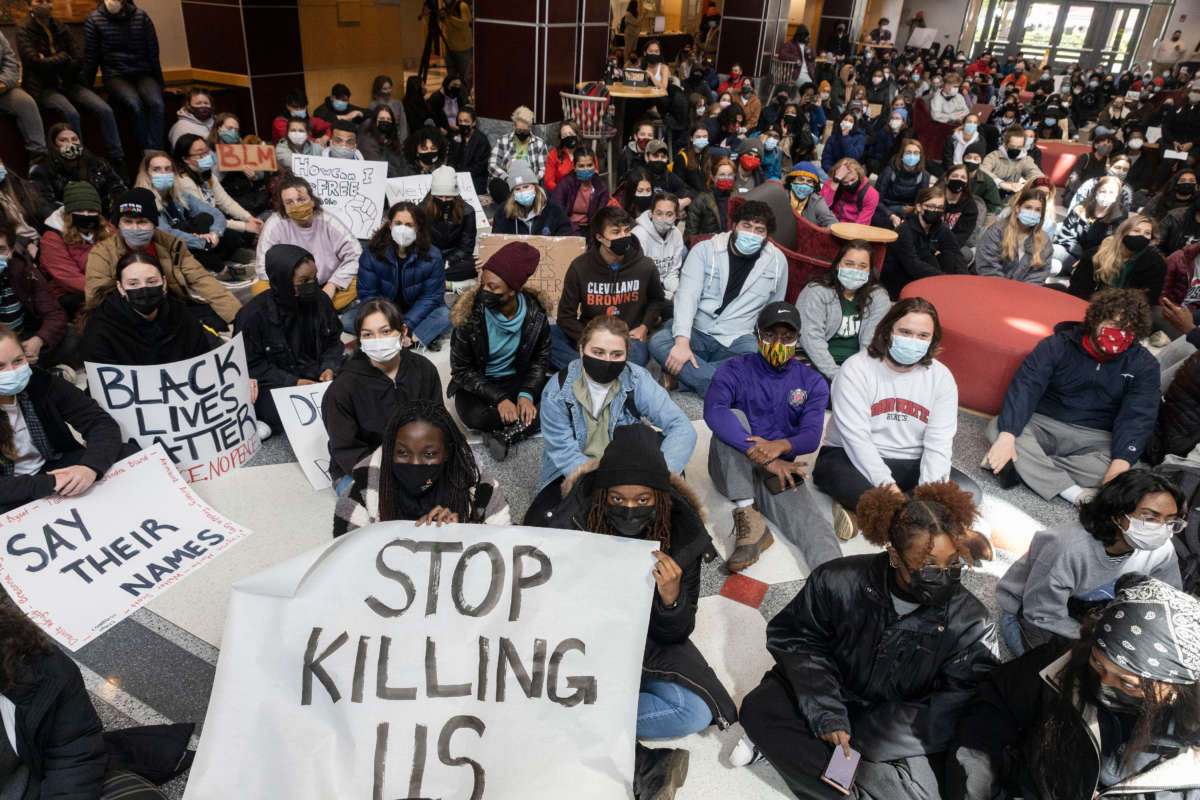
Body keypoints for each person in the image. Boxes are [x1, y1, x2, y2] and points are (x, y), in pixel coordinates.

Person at [739, 481, 1000, 799]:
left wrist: (865, 735)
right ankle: (833, 777)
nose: (945, 578)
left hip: (897, 724)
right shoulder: (837, 579)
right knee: (757, 709)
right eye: (929, 568)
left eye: (954, 565)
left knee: (912, 790)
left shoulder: (972, 623)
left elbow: (955, 704)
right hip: (833, 690)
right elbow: (797, 639)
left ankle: (813, 769)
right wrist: (827, 711)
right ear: (893, 556)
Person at [544, 424, 736, 800]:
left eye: (642, 500)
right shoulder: (568, 522)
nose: (630, 509)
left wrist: (671, 598)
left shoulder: (683, 536)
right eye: (617, 499)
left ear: (660, 499)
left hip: (645, 643)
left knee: (693, 711)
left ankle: (578, 723)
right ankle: (637, 759)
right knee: (536, 695)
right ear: (601, 496)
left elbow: (677, 633)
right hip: (579, 645)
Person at [950, 574, 1200, 800]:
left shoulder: (1189, 762)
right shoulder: (1063, 663)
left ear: (1176, 688)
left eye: (1127, 682)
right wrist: (980, 787)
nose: (1104, 682)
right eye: (1098, 664)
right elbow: (993, 707)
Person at [812, 296, 983, 542]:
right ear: (888, 331)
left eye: (923, 335)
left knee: (970, 492)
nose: (913, 340)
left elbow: (939, 443)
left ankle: (872, 515)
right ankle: (920, 523)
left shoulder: (941, 377)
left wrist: (929, 495)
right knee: (838, 478)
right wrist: (889, 490)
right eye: (905, 331)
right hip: (849, 457)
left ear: (932, 340)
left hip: (910, 460)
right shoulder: (856, 369)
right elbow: (857, 439)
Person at [984, 289, 1160, 504]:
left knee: (1127, 466)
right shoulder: (1057, 345)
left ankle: (1024, 465)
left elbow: (1138, 416)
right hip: (1044, 423)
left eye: (1128, 330)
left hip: (1096, 435)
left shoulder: (1144, 364)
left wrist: (1120, 466)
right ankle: (1073, 493)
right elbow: (1026, 387)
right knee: (999, 429)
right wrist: (1008, 436)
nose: (1119, 334)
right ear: (1096, 319)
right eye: (1113, 325)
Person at [705, 301, 838, 572]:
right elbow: (714, 413)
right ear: (756, 335)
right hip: (730, 465)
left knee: (815, 528)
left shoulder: (812, 382)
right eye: (770, 335)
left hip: (780, 470)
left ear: (798, 339)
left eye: (787, 337)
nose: (778, 343)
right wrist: (766, 458)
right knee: (732, 419)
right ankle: (748, 518)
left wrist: (782, 445)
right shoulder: (733, 370)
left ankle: (834, 586)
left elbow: (812, 436)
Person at [996, 469, 1183, 658]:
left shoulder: (1161, 549)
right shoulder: (1067, 548)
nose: (1161, 528)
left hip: (1095, 618)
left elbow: (1167, 601)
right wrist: (1104, 642)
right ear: (1118, 515)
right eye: (1150, 517)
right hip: (1034, 618)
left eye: (1170, 520)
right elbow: (1041, 613)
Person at [530, 315, 696, 524]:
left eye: (616, 354)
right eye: (598, 352)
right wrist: (604, 486)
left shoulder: (637, 378)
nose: (606, 360)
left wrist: (656, 476)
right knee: (542, 524)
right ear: (582, 351)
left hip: (629, 463)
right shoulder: (557, 390)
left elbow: (682, 428)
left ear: (627, 355)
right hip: (576, 468)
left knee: (674, 522)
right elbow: (562, 450)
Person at [651, 201, 788, 396]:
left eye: (759, 230)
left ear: (767, 236)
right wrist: (682, 343)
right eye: (746, 226)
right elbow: (686, 297)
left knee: (757, 361)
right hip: (697, 331)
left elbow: (774, 309)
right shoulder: (705, 250)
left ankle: (682, 379)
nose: (751, 233)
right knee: (659, 341)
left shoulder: (777, 262)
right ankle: (732, 388)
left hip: (738, 337)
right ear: (734, 226)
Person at [332, 399, 509, 537]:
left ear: (447, 452)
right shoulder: (359, 495)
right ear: (389, 451)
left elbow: (505, 553)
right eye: (403, 452)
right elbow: (346, 564)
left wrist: (463, 534)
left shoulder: (483, 491)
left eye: (430, 454)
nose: (415, 463)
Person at [0, 320, 123, 513]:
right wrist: (49, 483)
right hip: (13, 488)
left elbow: (99, 423)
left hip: (54, 465)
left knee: (126, 453)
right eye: (0, 367)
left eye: (18, 361)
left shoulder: (42, 382)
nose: (12, 372)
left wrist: (89, 468)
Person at [322, 298, 441, 496]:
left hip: (413, 460)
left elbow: (437, 423)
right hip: (362, 467)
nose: (377, 340)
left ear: (402, 332)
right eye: (368, 335)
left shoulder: (423, 369)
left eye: (385, 332)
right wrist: (389, 477)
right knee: (384, 510)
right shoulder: (343, 388)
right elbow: (346, 449)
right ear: (360, 339)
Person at [85, 187, 240, 330]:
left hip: (169, 305)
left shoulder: (171, 244)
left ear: (153, 223)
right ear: (118, 223)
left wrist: (238, 319)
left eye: (142, 222)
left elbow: (202, 281)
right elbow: (97, 298)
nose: (135, 228)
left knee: (216, 318)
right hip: (126, 314)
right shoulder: (102, 253)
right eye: (128, 222)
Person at [448, 242, 548, 459]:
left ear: (514, 290)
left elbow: (541, 359)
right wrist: (499, 399)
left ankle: (506, 435)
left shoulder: (535, 314)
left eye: (493, 288)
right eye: (483, 284)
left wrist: (527, 394)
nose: (484, 291)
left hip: (517, 380)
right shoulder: (469, 316)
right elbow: (461, 370)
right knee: (474, 415)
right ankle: (520, 424)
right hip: (481, 385)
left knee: (561, 395)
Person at [234, 244, 343, 433]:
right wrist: (293, 382)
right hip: (278, 382)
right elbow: (250, 365)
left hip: (317, 374)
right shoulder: (252, 316)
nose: (313, 285)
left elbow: (333, 341)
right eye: (304, 280)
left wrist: (329, 367)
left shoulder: (321, 301)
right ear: (282, 281)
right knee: (275, 410)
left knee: (358, 384)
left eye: (314, 278)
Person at [553, 206, 665, 369]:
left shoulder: (645, 266)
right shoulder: (579, 267)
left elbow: (657, 300)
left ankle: (585, 369)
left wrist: (644, 326)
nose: (624, 236)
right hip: (589, 334)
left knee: (637, 357)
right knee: (546, 335)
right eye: (615, 232)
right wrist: (588, 338)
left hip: (627, 338)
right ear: (599, 237)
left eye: (626, 231)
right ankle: (599, 370)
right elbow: (565, 316)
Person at [16, 0, 121, 163]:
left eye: (48, 1)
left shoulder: (60, 26)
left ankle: (117, 157)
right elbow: (34, 62)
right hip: (44, 87)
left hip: (70, 82)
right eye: (39, 1)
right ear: (30, 6)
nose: (44, 5)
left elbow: (78, 57)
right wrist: (63, 57)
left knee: (105, 109)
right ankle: (78, 159)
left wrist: (50, 60)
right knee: (71, 113)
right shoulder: (23, 29)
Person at [79, 248, 216, 368]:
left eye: (151, 281)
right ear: (120, 288)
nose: (144, 289)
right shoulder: (100, 329)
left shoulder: (181, 313)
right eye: (133, 284)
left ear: (164, 284)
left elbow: (201, 357)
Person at [253, 174, 359, 312]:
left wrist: (333, 284)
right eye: (289, 202)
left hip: (326, 283)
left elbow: (356, 255)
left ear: (312, 201)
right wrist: (292, 288)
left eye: (301, 199)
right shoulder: (274, 224)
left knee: (360, 280)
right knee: (259, 288)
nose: (297, 206)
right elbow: (262, 266)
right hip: (290, 286)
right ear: (283, 206)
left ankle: (306, 310)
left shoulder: (329, 221)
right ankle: (318, 310)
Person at [356, 201, 448, 349]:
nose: (402, 229)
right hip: (385, 310)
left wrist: (408, 323)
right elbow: (368, 293)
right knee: (348, 320)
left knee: (445, 315)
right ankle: (413, 337)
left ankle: (406, 337)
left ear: (418, 228)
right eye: (398, 223)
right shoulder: (372, 252)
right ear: (390, 225)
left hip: (416, 309)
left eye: (409, 225)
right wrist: (388, 320)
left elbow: (431, 296)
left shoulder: (433, 255)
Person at [798, 239, 891, 382]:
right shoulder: (816, 291)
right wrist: (837, 375)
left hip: (859, 366)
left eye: (862, 266)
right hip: (818, 361)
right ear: (837, 265)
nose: (855, 270)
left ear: (870, 270)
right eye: (849, 264)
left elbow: (872, 341)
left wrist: (858, 374)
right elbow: (811, 338)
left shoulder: (878, 297)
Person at [80, 0, 164, 151]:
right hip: (115, 75)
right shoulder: (94, 19)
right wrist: (87, 87)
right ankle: (146, 151)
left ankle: (156, 149)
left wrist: (160, 84)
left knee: (157, 104)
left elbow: (153, 52)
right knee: (134, 105)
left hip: (142, 72)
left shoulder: (141, 16)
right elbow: (91, 57)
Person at [135, 149, 231, 273]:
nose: (163, 173)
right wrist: (200, 241)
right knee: (185, 227)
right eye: (157, 169)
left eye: (167, 169)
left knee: (211, 222)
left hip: (191, 245)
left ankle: (208, 265)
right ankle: (219, 268)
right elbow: (166, 234)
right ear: (147, 174)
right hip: (164, 249)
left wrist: (214, 235)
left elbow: (216, 214)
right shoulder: (143, 200)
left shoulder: (180, 195)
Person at [0, 221, 70, 369]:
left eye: (1, 249)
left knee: (71, 338)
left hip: (19, 339)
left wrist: (38, 341)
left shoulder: (23, 270)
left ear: (11, 251)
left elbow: (55, 313)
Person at [173, 133, 263, 242]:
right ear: (185, 159)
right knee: (233, 235)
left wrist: (248, 218)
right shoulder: (184, 181)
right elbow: (207, 216)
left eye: (207, 152)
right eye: (200, 154)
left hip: (216, 217)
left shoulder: (206, 174)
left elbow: (225, 201)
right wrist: (244, 226)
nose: (206, 156)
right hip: (201, 226)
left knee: (251, 220)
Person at [39, 182, 109, 316]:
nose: (86, 215)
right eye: (80, 211)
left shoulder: (106, 228)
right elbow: (69, 278)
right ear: (68, 213)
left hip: (105, 287)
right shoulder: (52, 238)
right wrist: (109, 288)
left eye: (91, 211)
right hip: (70, 295)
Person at [880, 186, 965, 298]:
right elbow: (913, 265)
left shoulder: (940, 228)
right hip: (899, 279)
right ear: (919, 207)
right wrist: (945, 279)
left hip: (927, 276)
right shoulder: (904, 230)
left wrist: (964, 281)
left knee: (948, 257)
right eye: (931, 206)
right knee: (928, 258)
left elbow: (956, 253)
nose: (935, 211)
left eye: (940, 208)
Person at [29, 123, 126, 215]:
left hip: (101, 217)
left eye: (74, 139)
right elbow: (44, 204)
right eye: (63, 140)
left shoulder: (96, 163)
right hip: (65, 221)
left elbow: (117, 186)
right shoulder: (42, 169)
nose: (70, 144)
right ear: (54, 145)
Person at [1070, 216, 1167, 306]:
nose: (1142, 236)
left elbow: (1149, 299)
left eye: (1147, 233)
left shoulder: (1155, 263)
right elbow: (1078, 289)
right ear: (1124, 232)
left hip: (1126, 312)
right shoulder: (1096, 254)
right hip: (1089, 304)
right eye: (1136, 231)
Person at [975, 185, 1054, 284]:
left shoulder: (1044, 240)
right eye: (1028, 207)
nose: (1032, 212)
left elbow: (1038, 275)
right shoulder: (996, 231)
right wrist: (1005, 290)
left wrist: (1021, 293)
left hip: (1023, 294)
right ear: (1017, 208)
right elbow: (987, 266)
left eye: (1037, 210)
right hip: (991, 287)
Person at [1054, 175, 1128, 274]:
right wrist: (1080, 256)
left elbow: (1110, 244)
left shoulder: (1120, 214)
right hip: (1074, 253)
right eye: (1103, 191)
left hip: (1097, 257)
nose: (1107, 195)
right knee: (1053, 250)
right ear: (1096, 192)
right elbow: (1066, 235)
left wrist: (1087, 259)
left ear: (1117, 195)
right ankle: (1074, 271)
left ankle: (1075, 271)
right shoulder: (1080, 208)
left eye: (1111, 192)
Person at [423, 166, 476, 286]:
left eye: (448, 197)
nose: (443, 200)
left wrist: (449, 261)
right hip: (430, 257)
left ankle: (432, 280)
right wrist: (434, 259)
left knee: (474, 265)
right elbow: (420, 241)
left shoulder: (467, 212)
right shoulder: (422, 210)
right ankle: (445, 282)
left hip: (453, 259)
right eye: (439, 196)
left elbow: (466, 247)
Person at [490, 160, 571, 236]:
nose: (522, 191)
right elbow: (496, 241)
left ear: (535, 187)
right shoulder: (502, 213)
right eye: (517, 189)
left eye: (526, 187)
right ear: (512, 193)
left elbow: (565, 236)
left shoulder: (553, 210)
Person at [0, 31, 47, 161]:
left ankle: (39, 157)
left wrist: (4, 81)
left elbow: (11, 64)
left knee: (26, 103)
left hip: (3, 88)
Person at [487, 106, 547, 203]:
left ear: (530, 127)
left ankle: (515, 204)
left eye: (525, 131)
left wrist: (529, 180)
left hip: (529, 185)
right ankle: (514, 205)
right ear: (514, 126)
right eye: (519, 131)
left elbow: (543, 169)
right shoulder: (503, 140)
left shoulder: (539, 144)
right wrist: (507, 178)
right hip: (507, 184)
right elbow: (492, 165)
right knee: (495, 184)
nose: (522, 133)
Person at [632, 192, 685, 302]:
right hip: (643, 290)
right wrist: (669, 296)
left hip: (663, 288)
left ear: (676, 216)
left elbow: (672, 273)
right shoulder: (639, 236)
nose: (663, 218)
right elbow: (639, 279)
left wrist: (678, 291)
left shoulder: (676, 234)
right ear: (652, 213)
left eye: (669, 214)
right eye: (659, 213)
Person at [549, 150, 611, 238]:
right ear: (574, 167)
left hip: (591, 228)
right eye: (581, 166)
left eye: (589, 165)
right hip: (567, 227)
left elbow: (600, 216)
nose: (586, 169)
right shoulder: (565, 184)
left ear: (595, 166)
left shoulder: (600, 186)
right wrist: (575, 233)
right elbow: (557, 213)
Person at [0, 156, 52, 257]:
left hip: (44, 238)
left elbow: (45, 210)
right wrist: (28, 244)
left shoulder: (18, 185)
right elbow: (4, 235)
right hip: (18, 247)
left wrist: (56, 232)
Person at [873, 139, 932, 229]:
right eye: (908, 152)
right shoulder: (889, 171)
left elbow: (921, 203)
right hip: (886, 211)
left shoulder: (924, 176)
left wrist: (909, 214)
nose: (912, 156)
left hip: (910, 213)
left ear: (920, 157)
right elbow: (876, 200)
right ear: (901, 155)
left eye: (916, 153)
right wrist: (892, 215)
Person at [982, 127, 1044, 199]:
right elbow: (983, 170)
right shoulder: (994, 156)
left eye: (1019, 147)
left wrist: (1024, 185)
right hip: (990, 194)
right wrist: (1000, 183)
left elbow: (1038, 175)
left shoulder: (1025, 159)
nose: (1015, 149)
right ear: (1005, 145)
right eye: (1012, 146)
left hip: (1011, 196)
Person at [684, 157, 732, 239]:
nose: (726, 178)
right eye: (722, 174)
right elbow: (690, 234)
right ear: (713, 177)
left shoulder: (738, 198)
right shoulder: (701, 200)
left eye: (730, 175)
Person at [941, 164, 981, 259]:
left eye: (963, 177)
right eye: (955, 176)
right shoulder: (934, 198)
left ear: (966, 183)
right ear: (946, 179)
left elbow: (962, 236)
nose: (958, 180)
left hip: (953, 245)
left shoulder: (970, 206)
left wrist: (944, 249)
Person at [449, 106, 491, 195]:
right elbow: (450, 159)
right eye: (460, 121)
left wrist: (461, 175)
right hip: (456, 175)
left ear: (473, 123)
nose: (462, 124)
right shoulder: (456, 136)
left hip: (475, 178)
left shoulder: (481, 140)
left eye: (466, 121)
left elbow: (479, 167)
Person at [357, 105, 407, 177]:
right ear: (375, 121)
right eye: (382, 118)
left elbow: (403, 164)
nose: (385, 121)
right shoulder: (367, 140)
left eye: (388, 119)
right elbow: (378, 167)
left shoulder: (393, 140)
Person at [442, 0, 473, 92]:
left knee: (464, 78)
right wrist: (443, 18)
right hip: (450, 47)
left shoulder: (462, 6)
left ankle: (464, 100)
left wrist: (449, 17)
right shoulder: (446, 7)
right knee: (451, 78)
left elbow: (464, 24)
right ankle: (453, 97)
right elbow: (448, 25)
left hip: (463, 48)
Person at [544, 121, 580, 192]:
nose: (568, 137)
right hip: (560, 194)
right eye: (564, 135)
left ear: (577, 134)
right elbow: (549, 182)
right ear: (561, 139)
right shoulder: (553, 155)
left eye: (571, 133)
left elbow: (594, 177)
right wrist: (562, 191)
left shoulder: (586, 153)